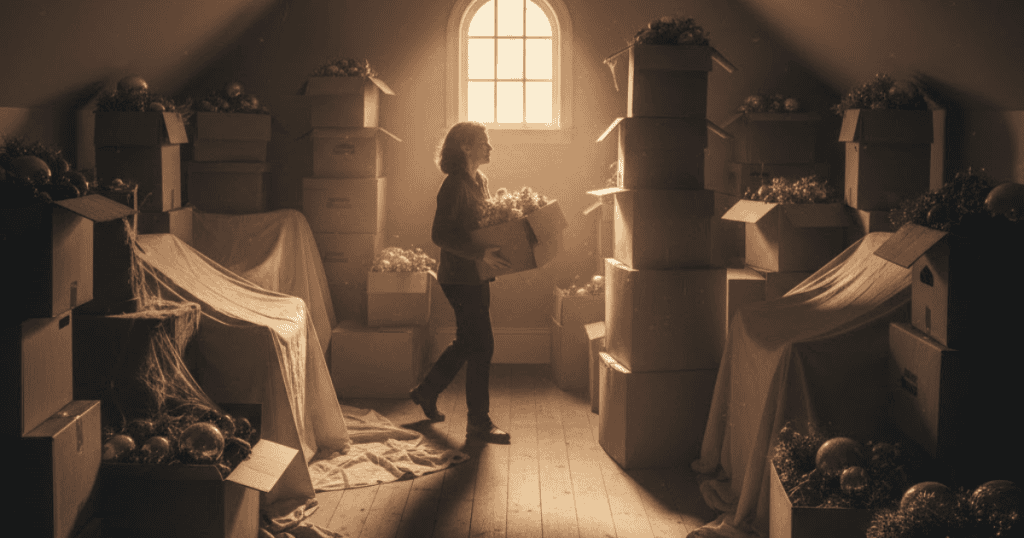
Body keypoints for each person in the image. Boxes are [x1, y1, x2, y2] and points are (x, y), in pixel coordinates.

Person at [409, 121, 513, 444]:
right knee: (482, 345)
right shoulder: (453, 185)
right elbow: (440, 235)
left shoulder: (480, 181)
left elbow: (481, 224)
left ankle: (426, 391)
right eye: (485, 142)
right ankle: (478, 423)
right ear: (466, 146)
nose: (490, 147)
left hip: (476, 275)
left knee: (469, 342)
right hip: (458, 278)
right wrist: (480, 253)